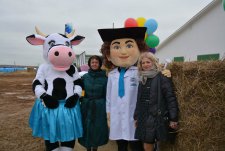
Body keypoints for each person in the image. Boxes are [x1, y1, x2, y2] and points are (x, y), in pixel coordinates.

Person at [27, 26, 84, 151]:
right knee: (50, 136)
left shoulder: (72, 68)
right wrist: (44, 96)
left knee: (68, 137)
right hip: (49, 107)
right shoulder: (44, 67)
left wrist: (76, 95)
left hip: (69, 107)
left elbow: (78, 82)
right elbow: (37, 83)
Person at [98, 27, 149, 151]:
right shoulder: (111, 74)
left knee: (136, 145)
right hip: (117, 115)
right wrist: (108, 114)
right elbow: (109, 97)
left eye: (129, 46)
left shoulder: (139, 72)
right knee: (121, 145)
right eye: (116, 47)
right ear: (109, 55)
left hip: (134, 116)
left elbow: (154, 76)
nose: (123, 52)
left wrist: (165, 71)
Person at [134, 52, 179, 151]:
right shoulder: (142, 78)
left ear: (154, 62)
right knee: (147, 142)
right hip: (143, 115)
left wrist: (173, 118)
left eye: (148, 62)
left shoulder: (162, 77)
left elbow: (170, 98)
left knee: (148, 143)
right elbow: (139, 99)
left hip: (155, 116)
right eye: (143, 63)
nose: (145, 65)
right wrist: (136, 116)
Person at [78, 55, 109, 151]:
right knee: (86, 127)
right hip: (86, 105)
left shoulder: (105, 77)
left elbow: (107, 93)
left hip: (100, 105)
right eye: (92, 62)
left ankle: (95, 148)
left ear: (99, 64)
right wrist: (82, 100)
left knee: (97, 128)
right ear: (89, 64)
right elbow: (81, 91)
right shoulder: (85, 77)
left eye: (96, 62)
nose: (94, 64)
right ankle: (87, 147)